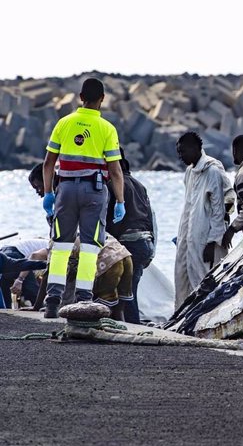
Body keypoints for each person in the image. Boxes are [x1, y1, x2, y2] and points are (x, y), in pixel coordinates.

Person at [41, 77, 126, 318]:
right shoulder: (107, 128)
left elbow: (48, 163)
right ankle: (83, 301)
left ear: (80, 97)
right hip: (94, 191)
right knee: (90, 248)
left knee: (60, 246)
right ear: (102, 99)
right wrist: (120, 201)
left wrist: (48, 193)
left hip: (65, 190)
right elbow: (115, 170)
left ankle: (52, 302)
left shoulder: (63, 123)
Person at [174, 131, 233, 308]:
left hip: (205, 239)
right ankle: (182, 318)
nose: (180, 156)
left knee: (203, 279)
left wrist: (213, 242)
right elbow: (189, 207)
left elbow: (218, 209)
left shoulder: (212, 171)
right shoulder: (190, 172)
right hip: (189, 236)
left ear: (194, 148)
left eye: (183, 151)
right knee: (182, 275)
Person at [106, 148, 156, 324]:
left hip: (130, 244)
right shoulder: (139, 185)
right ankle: (131, 324)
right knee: (129, 290)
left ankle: (133, 327)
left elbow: (112, 223)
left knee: (126, 293)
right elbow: (151, 218)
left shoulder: (113, 186)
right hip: (145, 243)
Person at [0, 241, 47, 309]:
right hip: (14, 255)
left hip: (4, 253)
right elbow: (34, 256)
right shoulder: (51, 246)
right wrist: (20, 279)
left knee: (5, 298)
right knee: (34, 294)